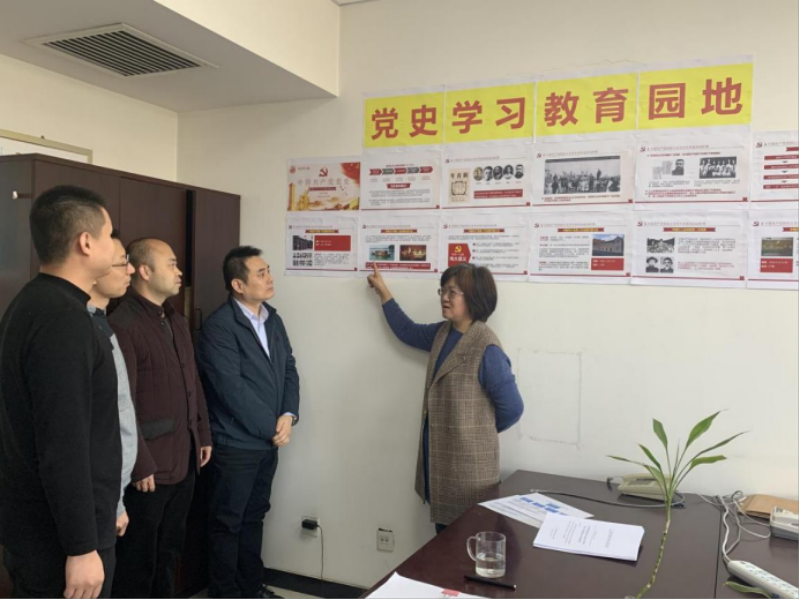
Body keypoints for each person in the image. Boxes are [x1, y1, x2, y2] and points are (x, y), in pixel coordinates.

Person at [0, 185, 120, 599]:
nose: (115, 245)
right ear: (86, 242)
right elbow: (62, 444)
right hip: (59, 540)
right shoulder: (63, 320)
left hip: (43, 527)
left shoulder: (33, 303)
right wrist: (82, 547)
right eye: (109, 234)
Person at [367, 263, 524, 533]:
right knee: (445, 543)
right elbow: (407, 330)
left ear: (474, 298)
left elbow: (513, 408)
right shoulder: (442, 333)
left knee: (466, 542)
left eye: (453, 292)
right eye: (443, 290)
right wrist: (383, 292)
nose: (445, 297)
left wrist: (475, 431)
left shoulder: (486, 347)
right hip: (439, 468)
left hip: (469, 475)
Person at [110, 238, 213, 599]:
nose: (179, 271)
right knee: (138, 561)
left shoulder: (176, 319)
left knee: (169, 553)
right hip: (148, 468)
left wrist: (203, 433)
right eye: (171, 264)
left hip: (184, 456)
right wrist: (139, 463)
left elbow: (192, 381)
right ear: (144, 270)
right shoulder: (122, 324)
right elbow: (121, 403)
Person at [196, 246, 300, 600]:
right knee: (227, 523)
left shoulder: (273, 319)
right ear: (238, 285)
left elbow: (289, 368)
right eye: (261, 273)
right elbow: (231, 389)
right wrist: (273, 427)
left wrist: (288, 415)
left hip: (268, 441)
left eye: (267, 270)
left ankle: (251, 588)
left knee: (254, 517)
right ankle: (224, 593)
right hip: (235, 444)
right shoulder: (220, 327)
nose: (269, 278)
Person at [88, 230, 138, 543]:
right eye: (121, 263)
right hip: (97, 501)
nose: (130, 269)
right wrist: (114, 502)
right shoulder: (83, 329)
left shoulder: (102, 322)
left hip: (110, 494)